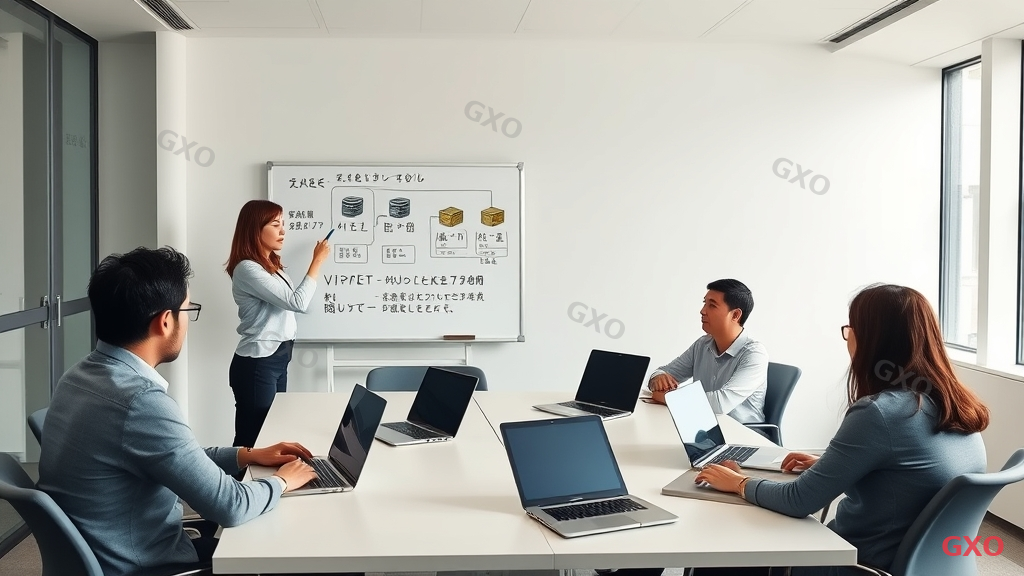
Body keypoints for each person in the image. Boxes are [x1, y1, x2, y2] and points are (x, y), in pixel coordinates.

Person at [38, 247, 318, 576]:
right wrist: (283, 481)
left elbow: (173, 456)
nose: (188, 320)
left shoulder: (77, 377)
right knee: (309, 551)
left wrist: (245, 454)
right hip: (150, 566)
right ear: (166, 321)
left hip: (113, 552)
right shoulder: (140, 402)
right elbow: (231, 505)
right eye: (188, 309)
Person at [694, 284, 990, 576]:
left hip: (854, 564)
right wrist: (829, 466)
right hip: (926, 565)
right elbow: (907, 474)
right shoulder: (956, 404)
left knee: (728, 543)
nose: (848, 339)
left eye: (852, 329)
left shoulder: (879, 413)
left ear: (874, 339)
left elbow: (799, 501)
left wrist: (739, 482)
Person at [226, 199, 330, 448]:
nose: (283, 231)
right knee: (252, 439)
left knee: (271, 433)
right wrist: (317, 261)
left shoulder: (272, 266)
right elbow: (297, 302)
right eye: (275, 224)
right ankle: (235, 486)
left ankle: (263, 486)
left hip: (278, 356)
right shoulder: (247, 269)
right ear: (255, 229)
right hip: (258, 362)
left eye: (283, 224)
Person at [648, 279, 768, 424]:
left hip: (745, 436)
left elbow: (720, 403)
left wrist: (665, 397)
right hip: (705, 428)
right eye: (704, 303)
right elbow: (663, 372)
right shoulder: (702, 345)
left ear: (735, 315)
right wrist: (658, 378)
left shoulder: (754, 355)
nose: (702, 310)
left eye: (712, 305)